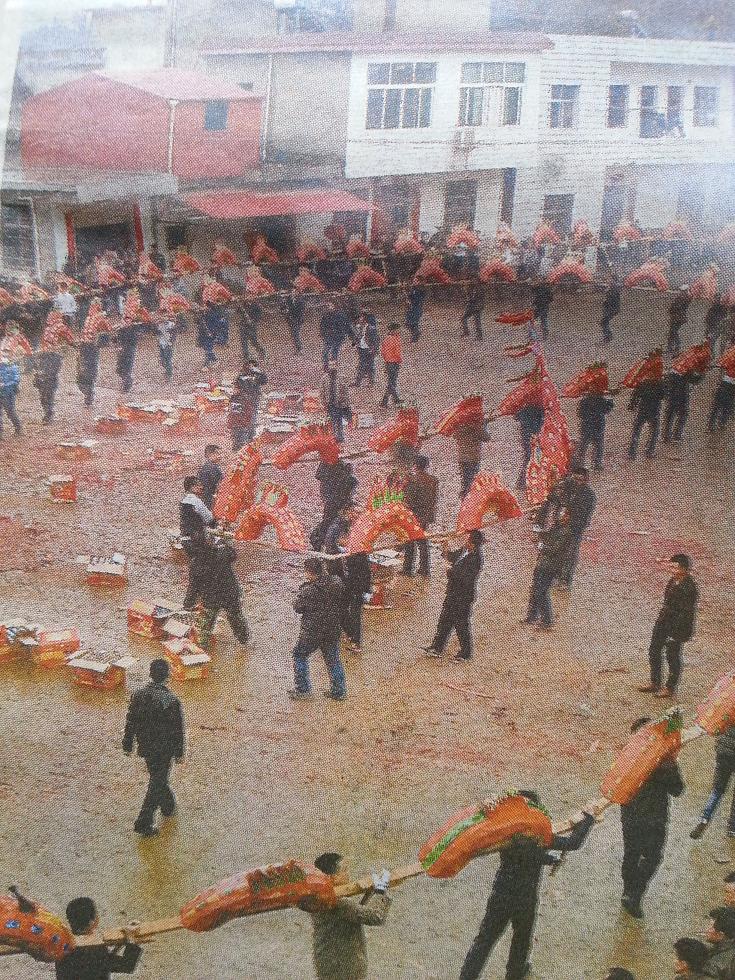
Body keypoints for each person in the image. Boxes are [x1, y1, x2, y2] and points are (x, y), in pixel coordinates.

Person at [459, 795, 596, 980]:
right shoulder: (539, 836)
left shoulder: (507, 835)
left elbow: (525, 854)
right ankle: (515, 973)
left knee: (485, 940)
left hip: (502, 893)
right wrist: (589, 817)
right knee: (522, 937)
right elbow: (572, 843)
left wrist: (547, 859)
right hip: (525, 896)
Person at [619, 717, 684, 918]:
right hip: (654, 817)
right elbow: (678, 790)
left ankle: (627, 891)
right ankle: (634, 894)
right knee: (653, 857)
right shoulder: (663, 762)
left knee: (631, 853)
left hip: (629, 814)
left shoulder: (627, 756)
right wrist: (671, 764)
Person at [122, 658, 184, 836]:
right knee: (157, 782)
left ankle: (168, 806)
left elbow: (131, 721)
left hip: (146, 747)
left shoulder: (138, 695)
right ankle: (144, 822)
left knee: (157, 779)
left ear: (150, 674)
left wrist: (128, 743)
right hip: (164, 750)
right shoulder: (171, 701)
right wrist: (179, 752)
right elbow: (177, 730)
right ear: (167, 676)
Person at [307, 853, 390, 980]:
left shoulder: (319, 896)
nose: (348, 874)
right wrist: (380, 891)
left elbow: (354, 914)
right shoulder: (339, 902)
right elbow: (376, 916)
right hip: (344, 967)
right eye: (344, 870)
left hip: (328, 963)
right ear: (332, 877)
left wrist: (369, 893)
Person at [638, 553, 699, 698]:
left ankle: (670, 688)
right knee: (654, 650)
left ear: (684, 569)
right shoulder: (673, 580)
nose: (672, 570)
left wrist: (676, 633)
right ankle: (655, 682)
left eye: (675, 567)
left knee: (672, 656)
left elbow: (686, 614)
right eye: (671, 567)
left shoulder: (690, 588)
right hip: (664, 621)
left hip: (677, 626)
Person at [288, 558, 347, 701]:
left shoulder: (308, 591)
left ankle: (303, 690)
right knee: (333, 659)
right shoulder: (336, 583)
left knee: (299, 655)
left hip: (312, 631)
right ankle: (339, 691)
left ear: (310, 572)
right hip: (332, 629)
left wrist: (303, 589)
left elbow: (297, 607)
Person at [423, 530, 484, 660]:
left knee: (461, 625)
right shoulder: (465, 551)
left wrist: (450, 570)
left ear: (473, 543)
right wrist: (445, 549)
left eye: (468, 540)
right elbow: (451, 557)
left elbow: (464, 578)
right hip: (453, 594)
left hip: (463, 597)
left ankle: (466, 652)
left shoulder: (476, 559)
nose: (465, 542)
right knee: (444, 621)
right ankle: (437, 647)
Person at [55, 896, 142, 980]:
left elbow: (100, 964)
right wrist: (131, 939)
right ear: (92, 922)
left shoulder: (61, 945)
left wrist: (119, 945)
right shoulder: (97, 950)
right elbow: (127, 966)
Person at [538, 467, 596, 587]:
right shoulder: (566, 487)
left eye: (580, 480)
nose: (577, 482)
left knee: (569, 554)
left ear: (585, 480)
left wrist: (568, 511)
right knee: (553, 551)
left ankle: (564, 580)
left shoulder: (589, 495)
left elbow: (582, 513)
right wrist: (552, 487)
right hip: (559, 524)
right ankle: (552, 577)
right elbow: (553, 498)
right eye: (575, 479)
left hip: (574, 527)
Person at [523, 509, 573, 630]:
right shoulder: (557, 527)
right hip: (543, 564)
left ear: (567, 517)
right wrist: (538, 532)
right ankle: (532, 616)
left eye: (564, 513)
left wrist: (541, 546)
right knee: (535, 590)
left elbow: (555, 549)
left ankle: (547, 621)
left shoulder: (566, 532)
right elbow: (548, 536)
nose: (560, 515)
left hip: (551, 566)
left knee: (541, 591)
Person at [198, 537, 251, 645]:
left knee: (206, 622)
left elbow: (195, 584)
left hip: (212, 597)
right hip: (229, 594)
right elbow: (232, 555)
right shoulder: (224, 555)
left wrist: (190, 601)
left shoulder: (198, 562)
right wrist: (223, 543)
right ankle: (244, 641)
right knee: (235, 618)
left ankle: (202, 645)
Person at [690, 727, 735, 840]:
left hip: (723, 754)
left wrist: (719, 745)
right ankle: (732, 828)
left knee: (717, 791)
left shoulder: (728, 716)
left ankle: (703, 820)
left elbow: (717, 729)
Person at [179, 475, 215, 610]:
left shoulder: (184, 501)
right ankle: (191, 604)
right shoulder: (196, 501)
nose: (201, 487)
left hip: (186, 540)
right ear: (192, 487)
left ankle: (197, 601)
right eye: (198, 485)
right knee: (200, 571)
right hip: (196, 541)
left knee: (199, 569)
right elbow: (209, 519)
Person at [34, 311, 75, 423]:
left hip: (49, 357)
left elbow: (70, 339)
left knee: (47, 383)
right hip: (48, 357)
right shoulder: (54, 327)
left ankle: (48, 413)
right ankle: (48, 412)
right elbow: (70, 340)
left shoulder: (55, 327)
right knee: (46, 383)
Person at [335, 529, 371, 654]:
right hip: (349, 586)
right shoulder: (349, 551)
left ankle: (356, 642)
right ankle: (350, 633)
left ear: (345, 538)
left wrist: (366, 590)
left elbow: (366, 573)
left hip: (357, 589)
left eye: (340, 540)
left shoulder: (358, 553)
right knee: (342, 608)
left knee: (355, 614)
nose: (338, 542)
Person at [403, 454, 438, 577]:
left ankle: (407, 569)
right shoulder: (433, 480)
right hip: (426, 515)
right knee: (422, 541)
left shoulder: (413, 481)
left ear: (415, 465)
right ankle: (424, 568)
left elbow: (410, 501)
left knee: (409, 541)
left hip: (415, 515)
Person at [310, 460, 357, 552]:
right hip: (335, 499)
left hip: (334, 499)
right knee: (335, 521)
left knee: (332, 520)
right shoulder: (335, 469)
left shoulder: (331, 467)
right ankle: (326, 543)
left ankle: (320, 541)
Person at [228, 360, 268, 451]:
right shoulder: (241, 377)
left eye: (253, 366)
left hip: (253, 403)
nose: (251, 367)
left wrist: (258, 372)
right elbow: (234, 413)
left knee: (251, 425)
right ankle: (239, 447)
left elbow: (264, 380)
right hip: (242, 404)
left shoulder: (257, 376)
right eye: (249, 365)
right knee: (240, 425)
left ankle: (249, 446)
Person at [628, 367, 666, 460]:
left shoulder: (642, 383)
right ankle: (650, 451)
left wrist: (632, 405)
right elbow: (663, 396)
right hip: (654, 410)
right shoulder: (660, 384)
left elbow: (635, 395)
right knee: (654, 431)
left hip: (642, 410)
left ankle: (632, 452)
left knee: (637, 430)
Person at [76, 300, 109, 407]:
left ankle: (89, 395)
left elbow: (107, 329)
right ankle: (87, 392)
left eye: (93, 306)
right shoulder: (88, 318)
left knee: (88, 371)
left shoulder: (99, 318)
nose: (90, 308)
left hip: (91, 347)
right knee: (82, 371)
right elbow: (84, 332)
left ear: (97, 308)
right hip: (84, 346)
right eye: (91, 306)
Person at [576, 386, 614, 471]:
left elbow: (580, 414)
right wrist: (610, 399)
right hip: (598, 427)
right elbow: (608, 410)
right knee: (598, 446)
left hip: (586, 427)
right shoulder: (602, 401)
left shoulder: (584, 401)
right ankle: (597, 464)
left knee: (583, 445)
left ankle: (580, 464)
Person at [663, 366, 703, 443]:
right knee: (683, 414)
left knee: (670, 415)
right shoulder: (687, 370)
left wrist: (667, 395)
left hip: (672, 397)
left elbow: (666, 385)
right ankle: (677, 435)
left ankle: (666, 436)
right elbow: (695, 381)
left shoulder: (672, 370)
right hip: (682, 397)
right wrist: (701, 373)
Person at [455, 417, 491, 497]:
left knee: (465, 480)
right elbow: (487, 438)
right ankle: (469, 498)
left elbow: (455, 436)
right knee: (472, 481)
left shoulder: (459, 426)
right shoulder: (476, 427)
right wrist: (484, 425)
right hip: (473, 458)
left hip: (462, 458)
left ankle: (464, 496)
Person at [319, 359, 352, 443]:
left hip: (339, 403)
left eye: (334, 365)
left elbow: (346, 392)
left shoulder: (341, 378)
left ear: (337, 366)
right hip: (330, 403)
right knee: (332, 421)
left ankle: (340, 437)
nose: (332, 367)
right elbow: (322, 392)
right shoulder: (324, 379)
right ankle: (333, 437)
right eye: (331, 365)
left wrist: (345, 403)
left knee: (339, 420)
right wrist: (323, 403)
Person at [515, 404, 544, 489]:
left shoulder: (523, 410)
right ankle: (525, 482)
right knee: (533, 458)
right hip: (534, 437)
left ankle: (523, 482)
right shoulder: (539, 410)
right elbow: (541, 423)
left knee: (528, 457)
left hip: (526, 437)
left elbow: (516, 417)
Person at [320, 298, 354, 368]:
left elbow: (347, 326)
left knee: (334, 352)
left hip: (338, 337)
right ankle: (326, 366)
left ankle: (333, 368)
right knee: (325, 352)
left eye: (329, 305)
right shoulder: (326, 315)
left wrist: (352, 337)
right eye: (327, 305)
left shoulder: (341, 315)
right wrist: (323, 334)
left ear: (334, 306)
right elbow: (322, 326)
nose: (328, 307)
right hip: (328, 337)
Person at [703, 908, 735, 978]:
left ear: (721, 933)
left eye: (710, 926)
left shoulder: (721, 960)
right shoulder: (718, 950)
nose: (707, 930)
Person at [353, 310, 380, 387]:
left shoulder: (371, 328)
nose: (360, 318)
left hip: (369, 349)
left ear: (365, 318)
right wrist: (356, 344)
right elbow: (358, 337)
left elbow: (376, 340)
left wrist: (374, 349)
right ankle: (358, 382)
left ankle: (371, 382)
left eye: (361, 317)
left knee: (370, 366)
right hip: (361, 349)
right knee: (361, 365)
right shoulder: (360, 327)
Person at [380, 323, 403, 407]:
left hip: (388, 363)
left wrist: (386, 359)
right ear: (394, 330)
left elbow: (382, 352)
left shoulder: (386, 339)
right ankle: (384, 402)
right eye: (398, 329)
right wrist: (399, 360)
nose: (399, 331)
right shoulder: (396, 339)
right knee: (392, 383)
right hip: (394, 363)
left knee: (391, 382)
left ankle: (396, 399)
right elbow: (397, 353)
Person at [115, 317, 140, 393]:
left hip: (129, 352)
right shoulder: (121, 330)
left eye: (128, 322)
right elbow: (115, 340)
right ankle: (126, 382)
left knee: (127, 370)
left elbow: (133, 342)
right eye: (125, 322)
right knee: (119, 370)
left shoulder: (133, 330)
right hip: (121, 352)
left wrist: (123, 346)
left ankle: (127, 386)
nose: (126, 323)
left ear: (130, 323)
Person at [0, 355, 22, 439]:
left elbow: (16, 380)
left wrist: (5, 384)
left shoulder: (12, 366)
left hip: (8, 393)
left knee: (10, 412)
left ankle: (18, 428)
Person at [708, 365, 735, 432]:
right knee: (727, 406)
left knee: (718, 405)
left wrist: (719, 382)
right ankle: (720, 424)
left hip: (725, 381)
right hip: (729, 383)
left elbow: (722, 367)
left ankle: (711, 425)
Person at [196, 444, 223, 510]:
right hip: (211, 498)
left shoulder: (204, 466)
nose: (221, 456)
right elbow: (220, 484)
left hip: (204, 497)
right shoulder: (213, 468)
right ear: (210, 455)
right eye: (218, 454)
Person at [667, 288, 692, 357]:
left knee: (674, 332)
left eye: (682, 291)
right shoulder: (681, 298)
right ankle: (670, 348)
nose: (680, 292)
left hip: (678, 318)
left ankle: (677, 348)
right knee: (672, 332)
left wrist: (673, 304)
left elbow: (675, 307)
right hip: (676, 318)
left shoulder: (684, 299)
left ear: (685, 292)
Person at [280, 289, 306, 353]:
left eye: (295, 292)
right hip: (290, 320)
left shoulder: (300, 301)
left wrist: (289, 311)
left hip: (298, 320)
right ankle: (298, 348)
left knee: (296, 334)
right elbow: (282, 309)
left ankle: (300, 349)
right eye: (292, 292)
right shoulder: (288, 300)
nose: (293, 293)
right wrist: (284, 311)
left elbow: (301, 311)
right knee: (293, 335)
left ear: (298, 293)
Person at [155, 314, 178, 382]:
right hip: (161, 344)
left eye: (165, 316)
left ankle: (169, 375)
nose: (163, 317)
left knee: (168, 360)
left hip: (168, 344)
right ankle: (169, 369)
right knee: (162, 361)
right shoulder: (159, 324)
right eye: (162, 316)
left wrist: (172, 342)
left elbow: (174, 334)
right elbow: (155, 333)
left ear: (167, 317)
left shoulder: (171, 324)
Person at [600, 275, 622, 342]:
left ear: (613, 280)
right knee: (604, 322)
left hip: (612, 309)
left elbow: (612, 299)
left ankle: (608, 337)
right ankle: (608, 336)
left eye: (609, 279)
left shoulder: (614, 288)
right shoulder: (611, 287)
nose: (607, 280)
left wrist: (605, 301)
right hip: (610, 308)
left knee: (604, 322)